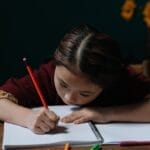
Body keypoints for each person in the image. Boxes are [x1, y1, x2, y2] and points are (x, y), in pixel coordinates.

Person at [0, 24, 150, 134]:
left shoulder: (120, 79)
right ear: (55, 63)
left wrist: (106, 114)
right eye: (63, 84)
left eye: (85, 93)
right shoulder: (46, 76)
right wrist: (26, 117)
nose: (69, 97)